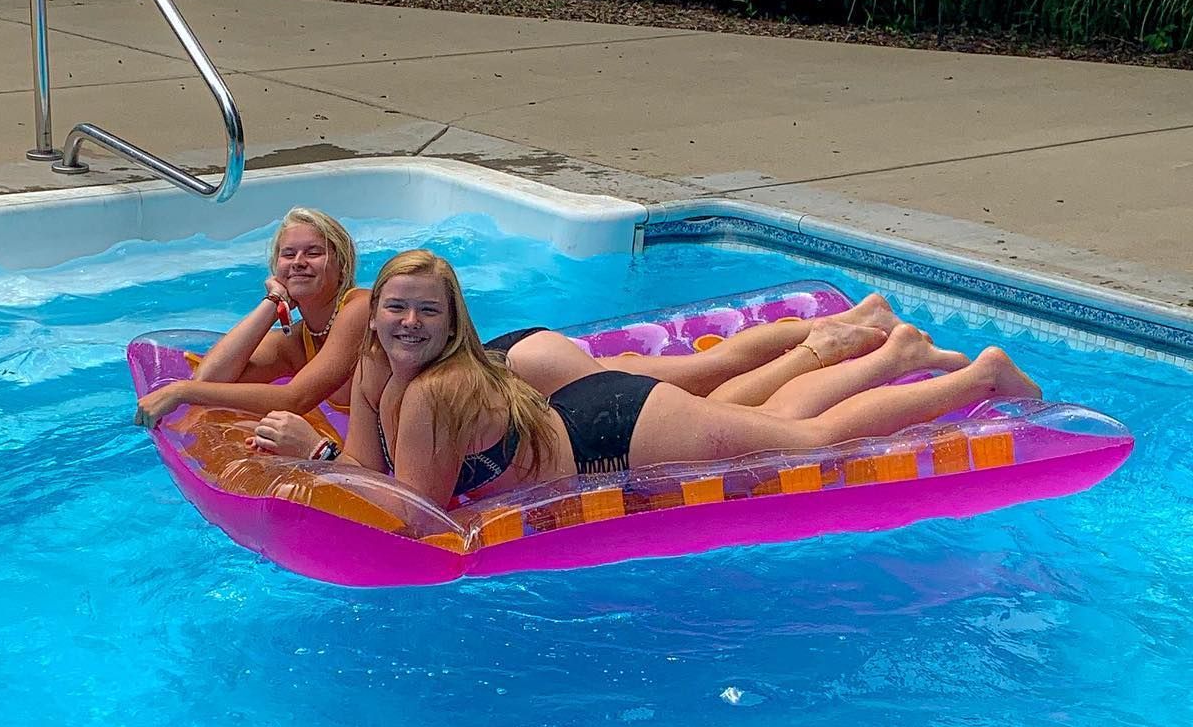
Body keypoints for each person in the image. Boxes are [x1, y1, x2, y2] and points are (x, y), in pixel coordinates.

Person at [257, 250, 1040, 511]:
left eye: (427, 311)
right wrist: (328, 458)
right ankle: (891, 355)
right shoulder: (378, 367)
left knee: (805, 444)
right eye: (395, 309)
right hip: (578, 414)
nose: (407, 323)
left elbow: (421, 515)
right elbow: (369, 466)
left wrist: (317, 461)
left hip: (612, 433)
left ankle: (981, 377)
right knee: (768, 421)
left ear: (454, 320)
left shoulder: (435, 391)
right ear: (373, 315)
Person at [133, 208, 369, 428]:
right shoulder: (298, 341)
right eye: (288, 254)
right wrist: (273, 302)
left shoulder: (360, 309)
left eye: (313, 253)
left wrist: (180, 391)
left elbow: (296, 399)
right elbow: (210, 379)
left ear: (342, 266)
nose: (298, 262)